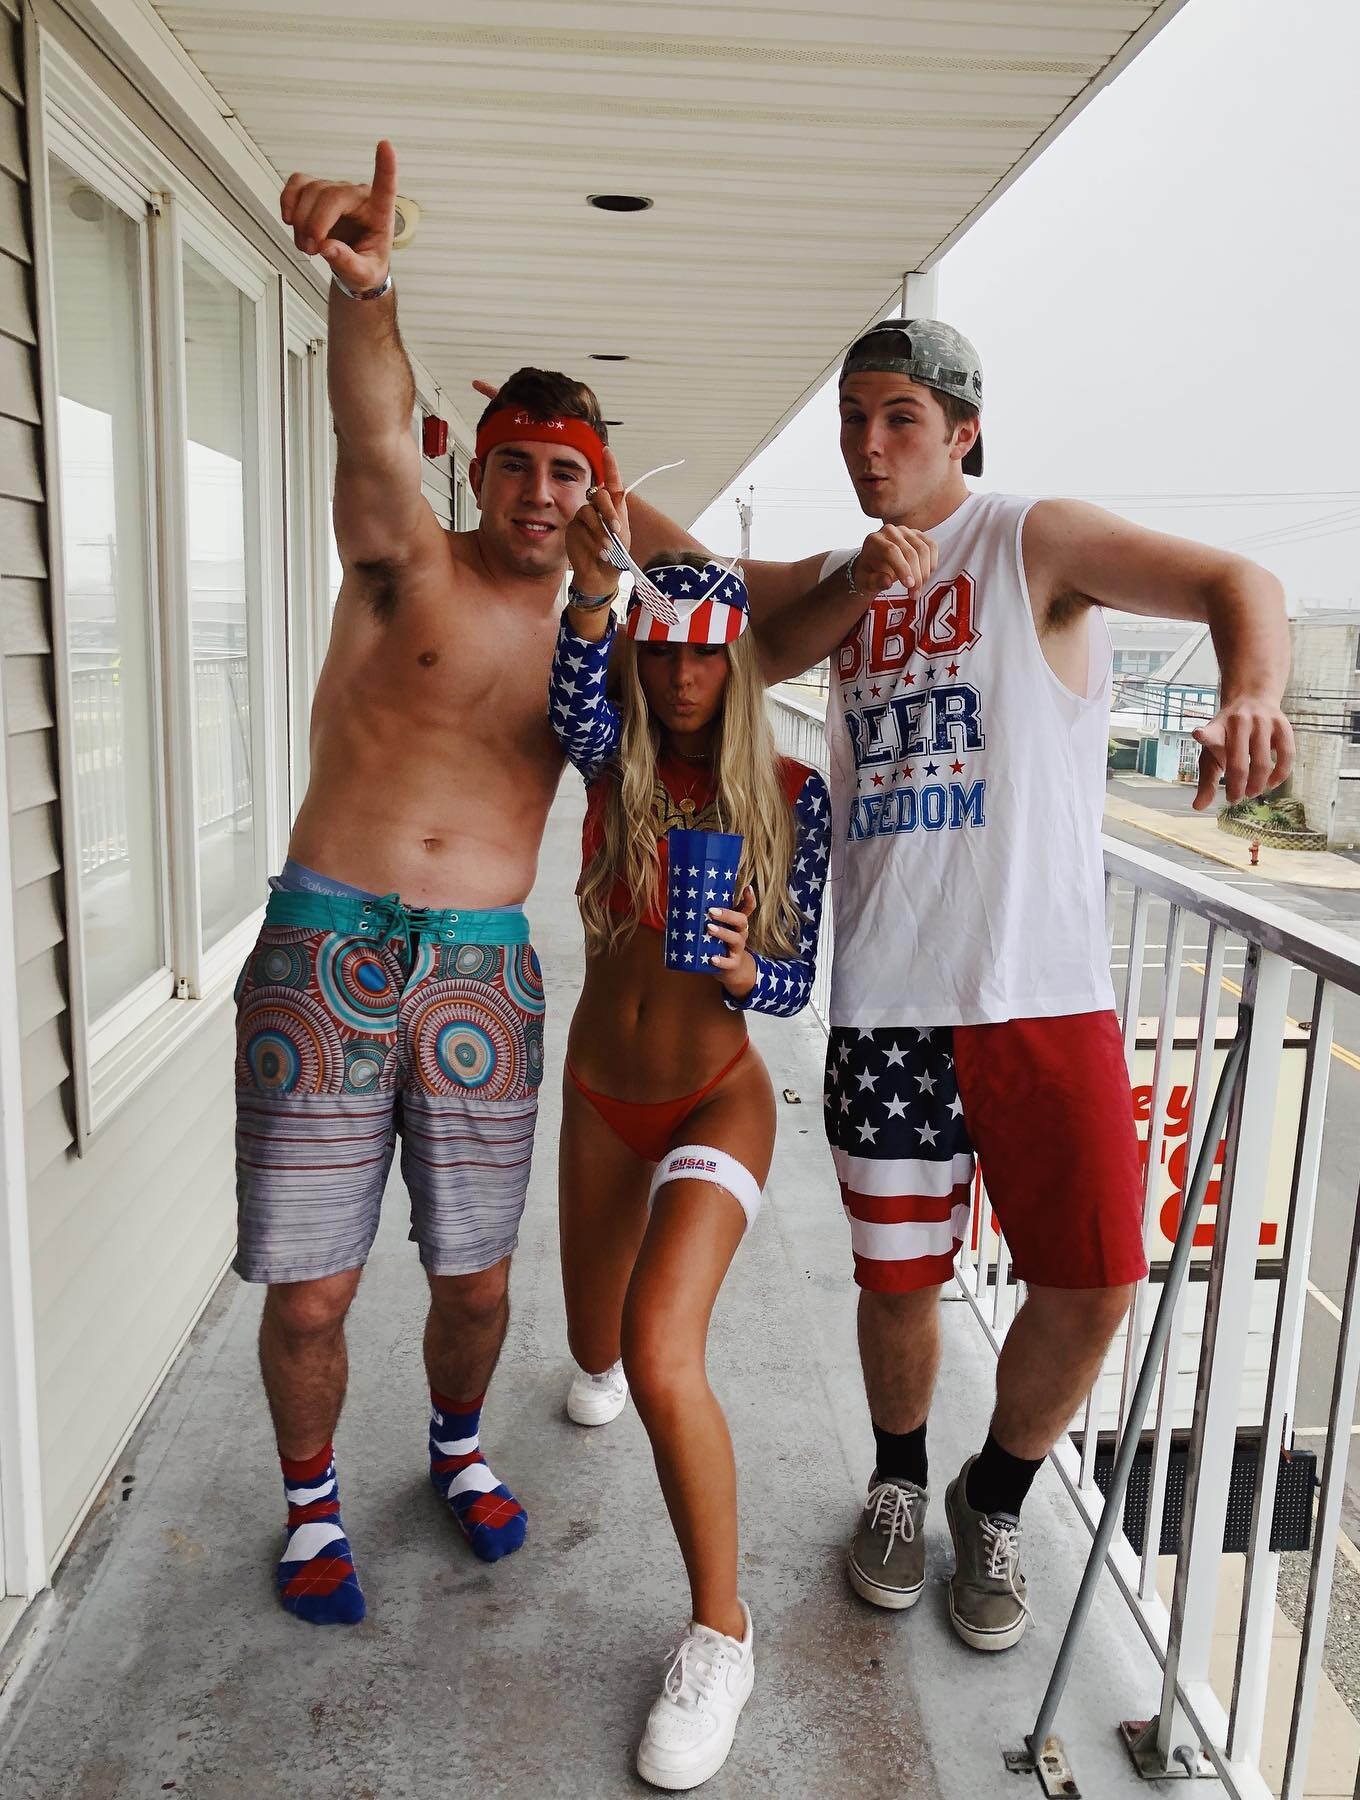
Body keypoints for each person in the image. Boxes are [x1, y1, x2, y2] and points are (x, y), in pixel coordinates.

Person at [634, 318, 1293, 1651]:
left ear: (963, 432)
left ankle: (993, 1498)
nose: (869, 445)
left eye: (901, 419)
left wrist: (1251, 692)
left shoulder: (1031, 540)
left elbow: (1238, 578)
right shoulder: (841, 578)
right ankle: (897, 1481)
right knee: (898, 1280)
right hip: (887, 998)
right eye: (853, 419)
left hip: (1041, 990)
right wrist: (598, 482)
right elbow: (711, 580)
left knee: (1095, 1277)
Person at [235, 140, 620, 1624]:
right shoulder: (406, 559)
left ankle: (457, 1452)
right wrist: (369, 291)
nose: (536, 489)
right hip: (326, 947)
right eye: (515, 461)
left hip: (481, 967)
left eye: (566, 470)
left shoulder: (597, 636)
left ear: (595, 492)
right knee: (314, 1286)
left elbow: (751, 629)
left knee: (476, 1277)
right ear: (480, 465)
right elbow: (371, 428)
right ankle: (311, 1509)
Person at [547, 473, 830, 1789]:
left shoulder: (790, 790)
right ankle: (596, 1355)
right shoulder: (614, 757)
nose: (678, 680)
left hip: (718, 1095)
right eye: (658, 656)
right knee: (595, 1354)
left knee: (665, 1358)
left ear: (738, 661)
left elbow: (798, 979)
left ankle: (723, 1633)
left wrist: (745, 972)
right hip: (600, 1095)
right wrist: (594, 590)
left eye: (703, 657)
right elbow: (572, 700)